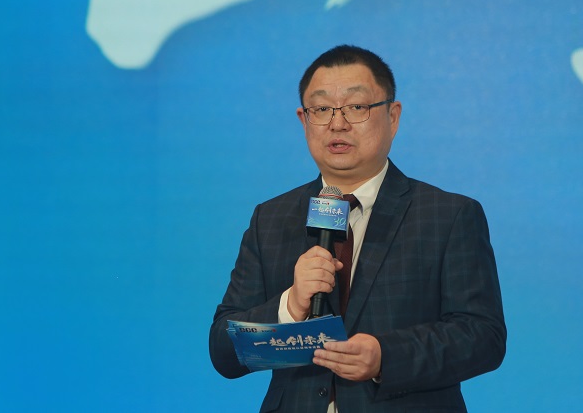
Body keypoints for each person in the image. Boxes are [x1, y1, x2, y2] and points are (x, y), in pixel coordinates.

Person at [209, 45, 506, 412]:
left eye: (356, 107)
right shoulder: (271, 219)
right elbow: (224, 352)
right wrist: (291, 304)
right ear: (303, 120)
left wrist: (385, 357)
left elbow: (483, 337)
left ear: (393, 117)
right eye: (322, 109)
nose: (338, 123)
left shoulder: (447, 215)